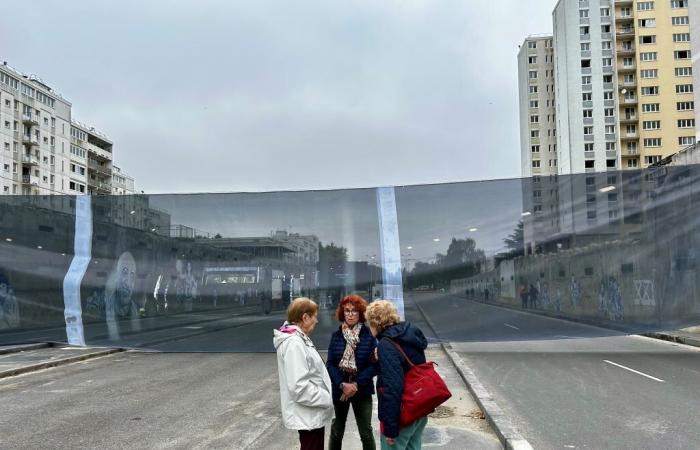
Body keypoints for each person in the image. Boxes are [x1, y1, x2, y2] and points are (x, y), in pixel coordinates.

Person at [365, 300, 428, 450]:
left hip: (402, 416)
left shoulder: (387, 345)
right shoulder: (409, 334)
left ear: (376, 322)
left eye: (369, 323)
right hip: (419, 409)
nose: (368, 327)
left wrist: (391, 429)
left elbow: (392, 388)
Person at [273, 297, 334, 450]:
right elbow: (299, 387)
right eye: (314, 316)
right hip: (309, 415)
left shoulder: (298, 338)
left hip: (311, 414)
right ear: (305, 317)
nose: (317, 320)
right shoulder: (294, 343)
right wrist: (326, 397)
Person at [326, 294, 377, 450]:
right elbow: (330, 364)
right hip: (340, 390)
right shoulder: (336, 336)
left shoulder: (369, 336)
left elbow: (374, 366)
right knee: (336, 431)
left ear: (360, 313)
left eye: (354, 311)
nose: (350, 314)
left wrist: (355, 384)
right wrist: (342, 385)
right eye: (347, 310)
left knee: (366, 432)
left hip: (361, 390)